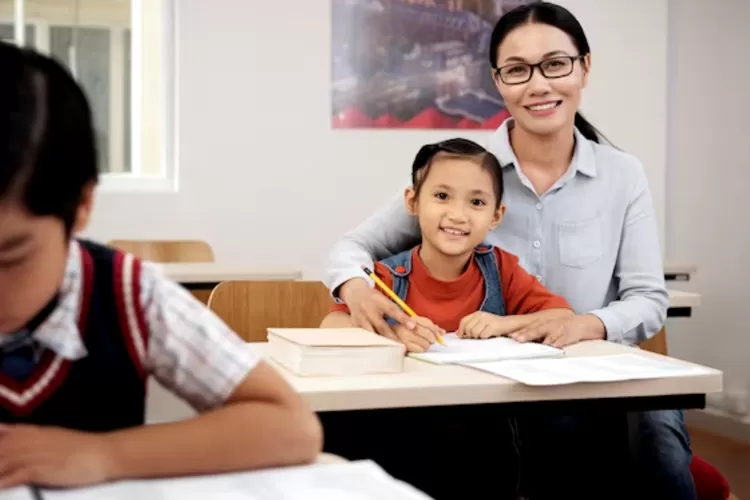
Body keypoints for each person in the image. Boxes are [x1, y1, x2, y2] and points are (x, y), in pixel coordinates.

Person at [323, 2, 694, 499]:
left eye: (556, 64)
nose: (538, 85)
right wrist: (357, 290)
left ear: (584, 67)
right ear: (498, 82)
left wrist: (581, 325)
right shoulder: (464, 173)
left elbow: (648, 300)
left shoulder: (624, 175)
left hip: (595, 371)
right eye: (517, 70)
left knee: (660, 447)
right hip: (489, 380)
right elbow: (355, 246)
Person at [0, 42, 322, 489]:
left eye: (9, 256)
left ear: (82, 205)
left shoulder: (129, 294)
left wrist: (103, 454)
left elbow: (292, 427)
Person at [321, 137, 574, 348]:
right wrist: (392, 335)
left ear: (496, 216)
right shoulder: (386, 276)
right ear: (412, 202)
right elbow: (330, 326)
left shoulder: (502, 269)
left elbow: (563, 316)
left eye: (476, 202)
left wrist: (503, 324)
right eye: (442, 196)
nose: (457, 215)